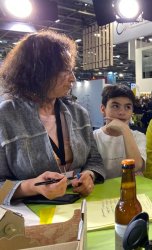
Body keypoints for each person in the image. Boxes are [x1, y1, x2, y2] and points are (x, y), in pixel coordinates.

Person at [0, 30, 106, 205]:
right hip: (31, 216)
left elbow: (94, 160)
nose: (72, 78)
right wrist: (31, 186)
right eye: (64, 70)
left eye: (71, 70)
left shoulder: (78, 113)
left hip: (80, 206)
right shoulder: (6, 116)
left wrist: (89, 175)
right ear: (39, 72)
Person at [93, 85, 146, 179]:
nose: (122, 112)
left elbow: (135, 167)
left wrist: (124, 129)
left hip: (130, 190)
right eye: (115, 106)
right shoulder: (94, 137)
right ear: (103, 109)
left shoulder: (139, 137)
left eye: (128, 107)